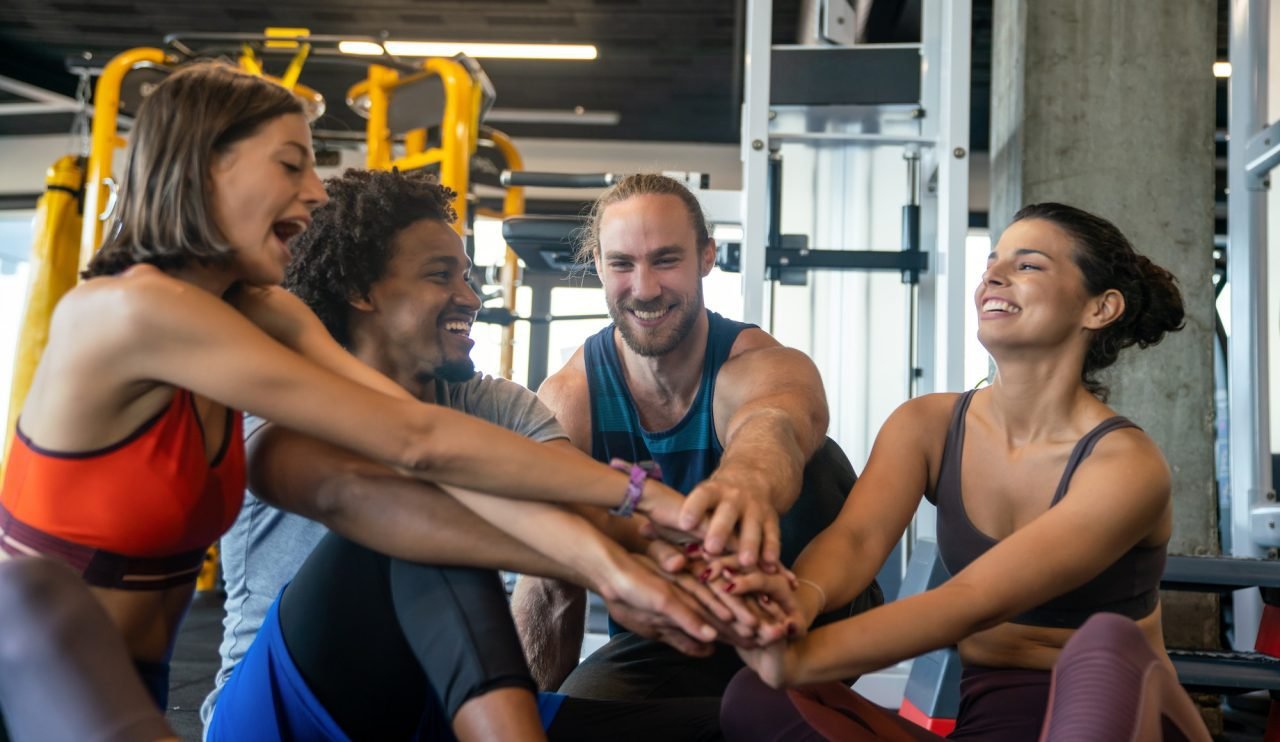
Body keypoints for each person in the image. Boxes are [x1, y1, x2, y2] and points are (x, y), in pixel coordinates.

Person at [0, 62, 764, 739]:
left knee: (721, 728)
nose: (311, 190)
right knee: (418, 530)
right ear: (207, 168)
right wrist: (639, 508)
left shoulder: (269, 314)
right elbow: (409, 447)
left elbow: (425, 438)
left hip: (244, 690)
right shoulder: (128, 313)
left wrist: (638, 551)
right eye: (292, 163)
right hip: (58, 677)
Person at [203, 167, 728, 740]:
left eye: (468, 277)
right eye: (440, 276)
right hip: (286, 714)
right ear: (361, 290)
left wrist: (709, 569)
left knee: (734, 729)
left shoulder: (498, 406)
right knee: (417, 525)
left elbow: (587, 509)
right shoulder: (281, 397)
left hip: (436, 714)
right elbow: (413, 465)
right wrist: (612, 565)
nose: (470, 297)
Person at [720, 203, 1212, 741]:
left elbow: (976, 598)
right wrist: (800, 598)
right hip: (988, 722)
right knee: (757, 699)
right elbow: (856, 539)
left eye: (1028, 266)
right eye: (991, 263)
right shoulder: (927, 423)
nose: (992, 278)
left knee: (1104, 649)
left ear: (1100, 307)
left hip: (1116, 718)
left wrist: (801, 657)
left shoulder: (1125, 465)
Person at [514, 173, 880, 700]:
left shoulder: (761, 363)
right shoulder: (572, 399)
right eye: (622, 264)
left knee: (815, 463)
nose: (644, 288)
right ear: (598, 265)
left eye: (666, 260)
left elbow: (771, 426)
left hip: (807, 620)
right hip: (669, 638)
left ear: (706, 257)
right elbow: (550, 589)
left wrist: (744, 485)